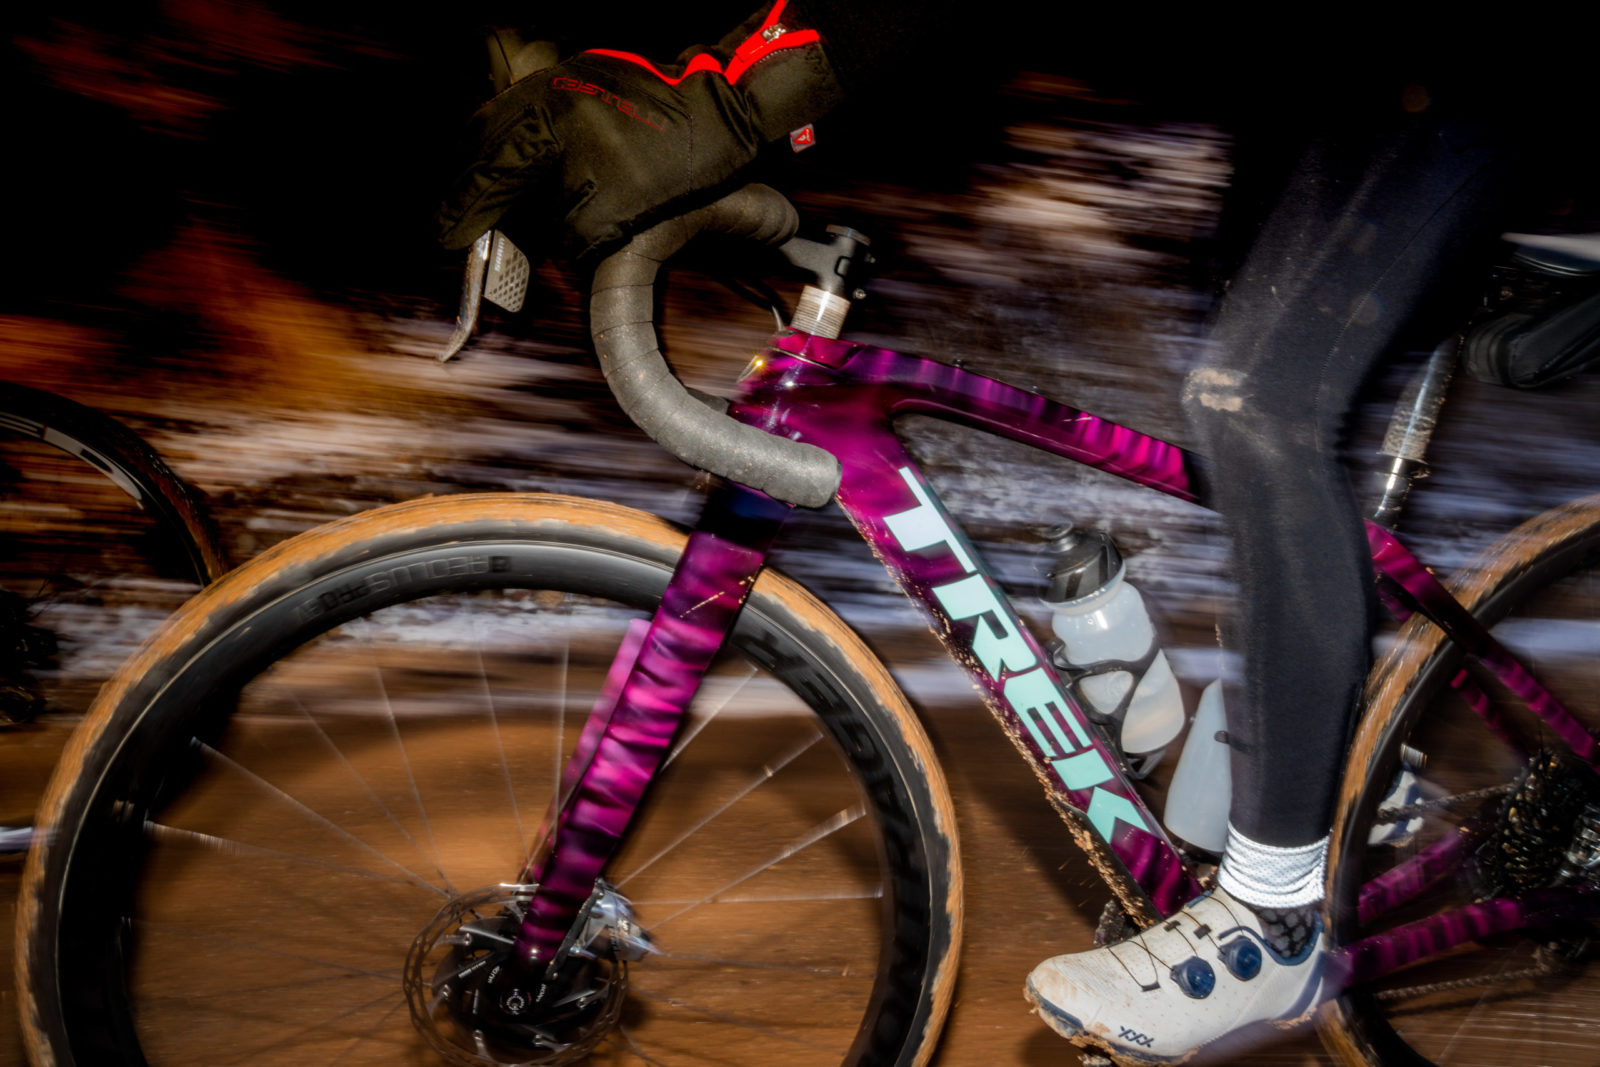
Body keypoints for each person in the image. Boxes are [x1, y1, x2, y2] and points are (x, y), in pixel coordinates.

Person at [435, 4, 1530, 1060]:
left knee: (1260, 400)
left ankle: (1272, 919)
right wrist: (710, 91)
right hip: (1328, 73)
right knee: (1247, 382)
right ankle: (1286, 763)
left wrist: (724, 98)